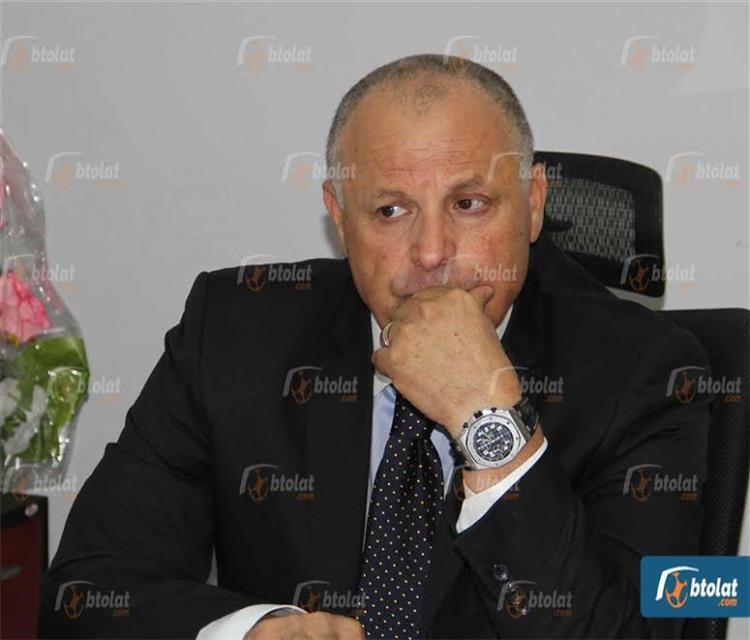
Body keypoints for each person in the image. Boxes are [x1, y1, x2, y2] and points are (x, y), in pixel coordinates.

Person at [39, 54, 711, 640]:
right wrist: (255, 632)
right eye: (391, 210)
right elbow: (86, 591)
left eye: (470, 203)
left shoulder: (648, 373)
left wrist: (488, 420)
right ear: (339, 218)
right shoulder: (235, 334)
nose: (432, 253)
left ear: (533, 203)